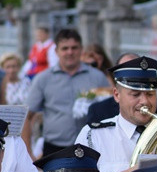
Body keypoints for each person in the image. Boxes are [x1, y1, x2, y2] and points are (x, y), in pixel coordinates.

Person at [23, 28, 110, 158]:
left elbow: (109, 113)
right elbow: (27, 116)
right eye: (65, 48)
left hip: (91, 148)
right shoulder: (43, 79)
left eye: (74, 48)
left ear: (81, 50)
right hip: (54, 149)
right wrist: (28, 154)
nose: (70, 52)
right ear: (56, 51)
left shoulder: (97, 77)